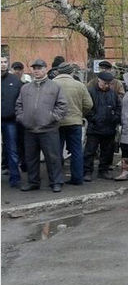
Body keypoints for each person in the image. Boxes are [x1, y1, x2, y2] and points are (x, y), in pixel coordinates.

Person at [15, 59, 68, 191]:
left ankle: (56, 182)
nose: (36, 70)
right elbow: (18, 105)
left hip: (49, 129)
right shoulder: (25, 88)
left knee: (53, 157)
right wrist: (22, 118)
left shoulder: (54, 86)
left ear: (45, 69)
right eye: (34, 68)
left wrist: (52, 117)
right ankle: (33, 182)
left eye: (39, 68)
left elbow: (62, 105)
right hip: (30, 129)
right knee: (31, 159)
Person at [52, 63, 93, 185]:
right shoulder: (79, 85)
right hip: (75, 122)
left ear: (58, 72)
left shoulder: (51, 84)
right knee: (76, 151)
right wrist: (80, 113)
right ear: (71, 72)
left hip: (56, 122)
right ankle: (77, 178)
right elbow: (89, 104)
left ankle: (57, 179)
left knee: (56, 151)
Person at [84, 71, 122, 181]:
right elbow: (87, 108)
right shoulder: (91, 92)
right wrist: (94, 119)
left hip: (109, 128)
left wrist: (115, 118)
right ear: (99, 80)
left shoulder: (113, 93)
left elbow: (119, 107)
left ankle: (103, 170)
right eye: (104, 83)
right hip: (94, 128)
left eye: (109, 84)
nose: (107, 86)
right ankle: (87, 171)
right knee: (90, 151)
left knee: (107, 151)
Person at [1, 55, 23, 187]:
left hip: (10, 120)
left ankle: (15, 179)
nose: (3, 64)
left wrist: (19, 115)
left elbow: (21, 100)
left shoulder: (15, 81)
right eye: (0, 62)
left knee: (12, 150)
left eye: (4, 62)